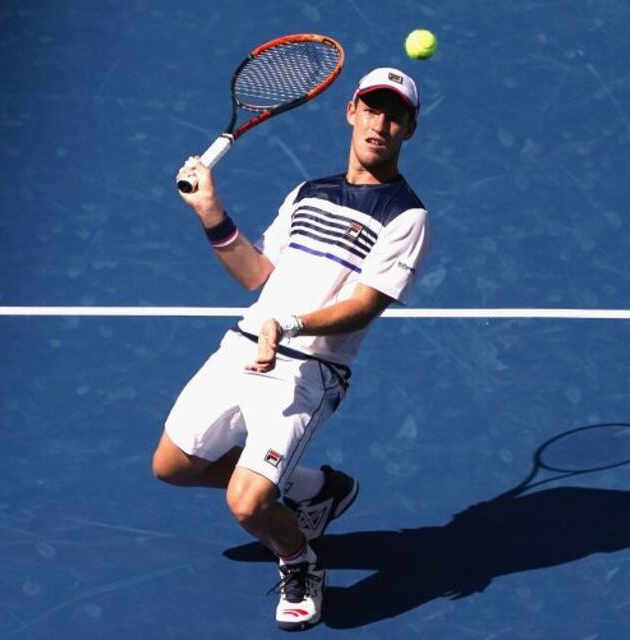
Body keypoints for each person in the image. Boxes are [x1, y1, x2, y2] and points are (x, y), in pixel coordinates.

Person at [152, 67, 430, 630]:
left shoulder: (407, 216)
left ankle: (299, 560)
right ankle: (315, 489)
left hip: (309, 371)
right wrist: (210, 211)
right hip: (243, 348)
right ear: (351, 111)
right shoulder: (308, 192)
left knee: (246, 503)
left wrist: (291, 324)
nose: (381, 123)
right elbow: (257, 276)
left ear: (409, 130)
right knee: (174, 466)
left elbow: (366, 304)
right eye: (373, 108)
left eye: (395, 115)